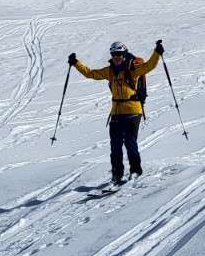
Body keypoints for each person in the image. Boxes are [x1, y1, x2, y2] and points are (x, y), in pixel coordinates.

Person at [68, 40, 164, 184]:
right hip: (116, 112)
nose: (116, 57)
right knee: (115, 145)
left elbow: (149, 66)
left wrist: (157, 53)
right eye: (114, 55)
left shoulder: (133, 69)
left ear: (124, 54)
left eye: (119, 54)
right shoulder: (110, 71)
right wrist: (76, 63)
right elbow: (91, 74)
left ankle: (135, 171)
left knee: (130, 142)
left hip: (133, 109)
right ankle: (117, 174)